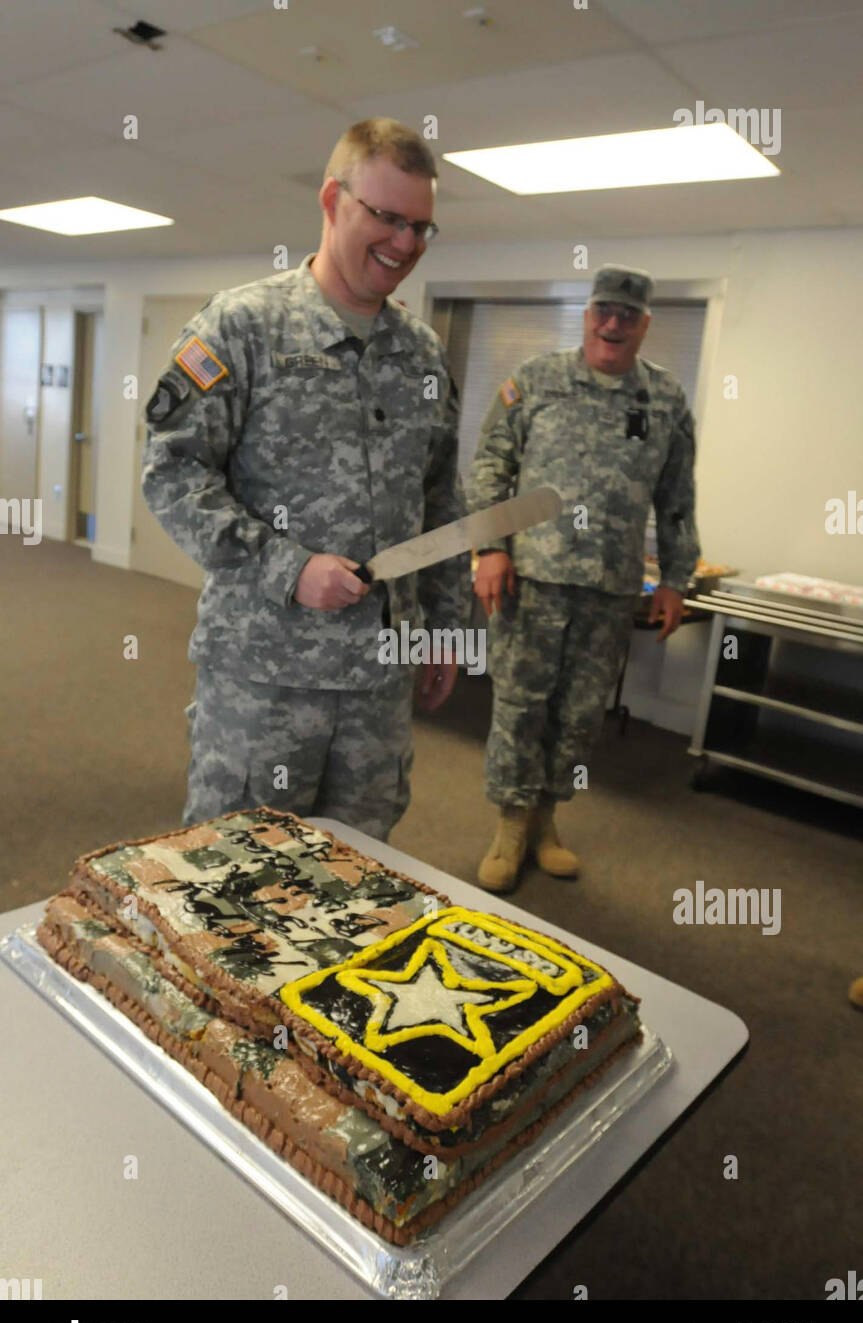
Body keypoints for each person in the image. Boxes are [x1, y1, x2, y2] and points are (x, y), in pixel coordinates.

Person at [141, 119, 470, 840]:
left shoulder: (420, 353)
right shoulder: (241, 327)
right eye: (385, 217)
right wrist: (288, 568)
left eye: (421, 227)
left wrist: (446, 627)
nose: (405, 244)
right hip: (265, 680)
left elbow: (441, 497)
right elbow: (172, 472)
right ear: (331, 199)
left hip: (379, 684)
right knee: (234, 879)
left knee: (358, 879)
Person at [468, 264, 699, 890]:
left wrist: (676, 578)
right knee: (520, 705)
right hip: (533, 580)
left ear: (646, 324)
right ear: (587, 314)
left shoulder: (666, 400)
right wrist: (491, 547)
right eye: (604, 310)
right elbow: (491, 464)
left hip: (610, 587)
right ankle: (510, 826)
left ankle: (547, 821)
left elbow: (677, 497)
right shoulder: (537, 381)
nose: (613, 323)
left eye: (628, 315)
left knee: (580, 714)